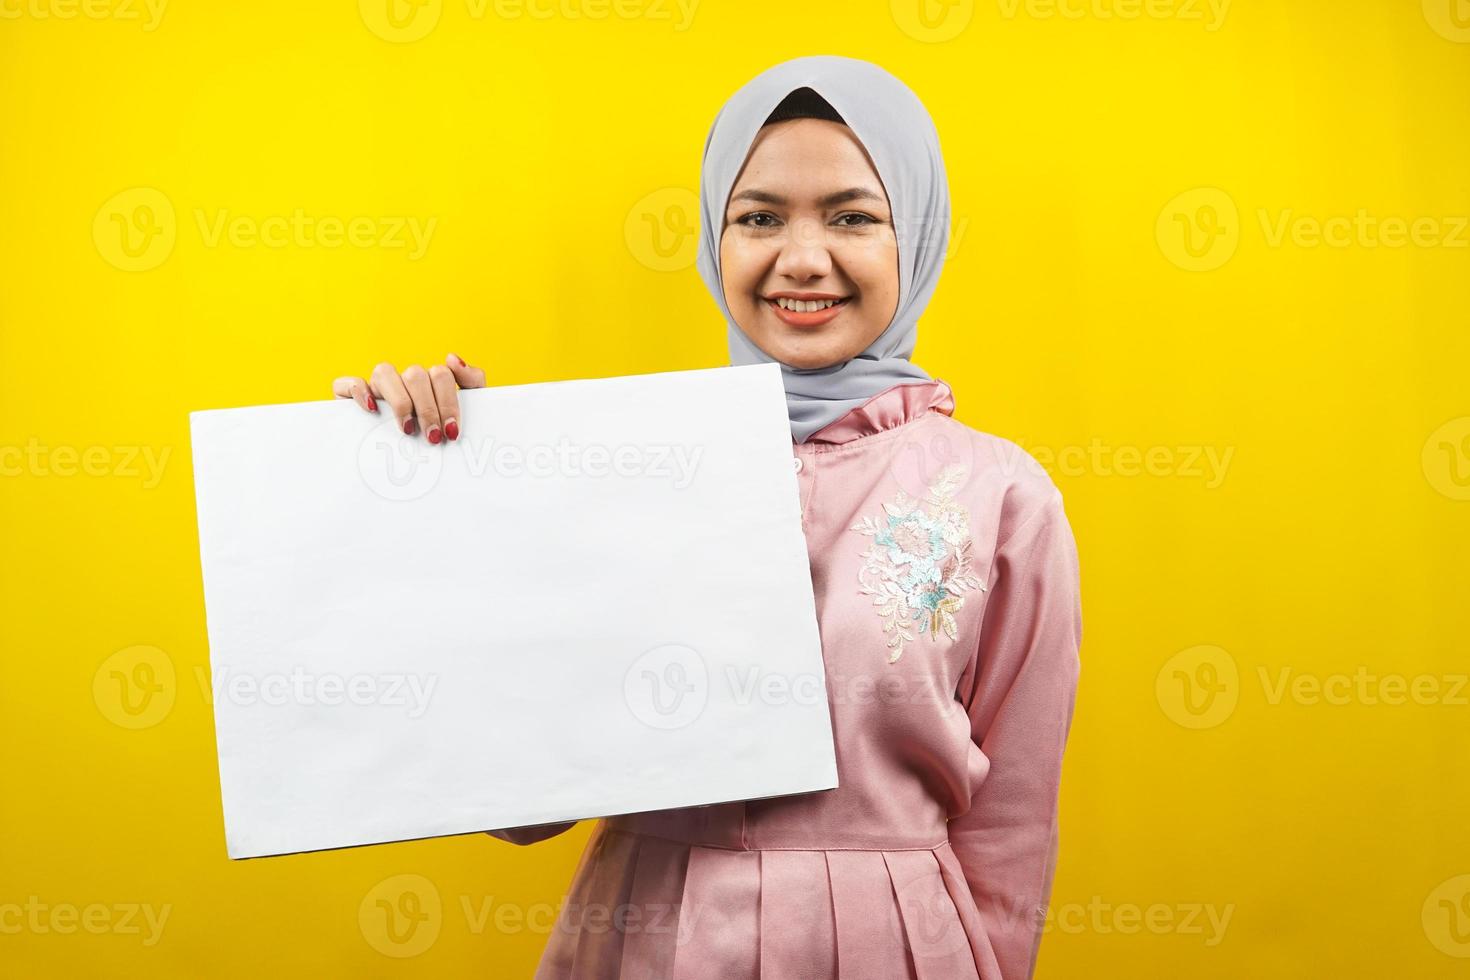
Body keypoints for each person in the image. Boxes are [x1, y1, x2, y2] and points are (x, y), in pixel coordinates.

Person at [332, 54, 1082, 980]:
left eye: (853, 216)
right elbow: (518, 810)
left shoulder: (1000, 495)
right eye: (759, 217)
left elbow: (1013, 829)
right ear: (710, 239)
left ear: (917, 239)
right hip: (650, 939)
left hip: (894, 947)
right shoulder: (615, 468)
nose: (802, 259)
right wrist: (458, 489)